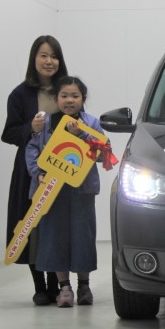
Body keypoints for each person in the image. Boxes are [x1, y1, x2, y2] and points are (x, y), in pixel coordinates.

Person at [25, 76, 106, 308]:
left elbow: (102, 153)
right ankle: (64, 288)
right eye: (64, 96)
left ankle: (84, 286)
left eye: (75, 96)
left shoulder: (91, 123)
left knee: (83, 237)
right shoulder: (45, 123)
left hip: (82, 191)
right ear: (56, 99)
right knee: (54, 237)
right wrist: (38, 173)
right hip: (52, 190)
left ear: (83, 99)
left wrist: (82, 135)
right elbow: (32, 148)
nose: (69, 100)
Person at [1, 35, 69, 305]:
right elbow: (8, 133)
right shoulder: (19, 94)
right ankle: (40, 287)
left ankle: (58, 284)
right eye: (44, 55)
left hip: (62, 169)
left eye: (54, 56)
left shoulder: (67, 90)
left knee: (56, 224)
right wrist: (30, 128)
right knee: (32, 223)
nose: (49, 61)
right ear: (34, 59)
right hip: (30, 171)